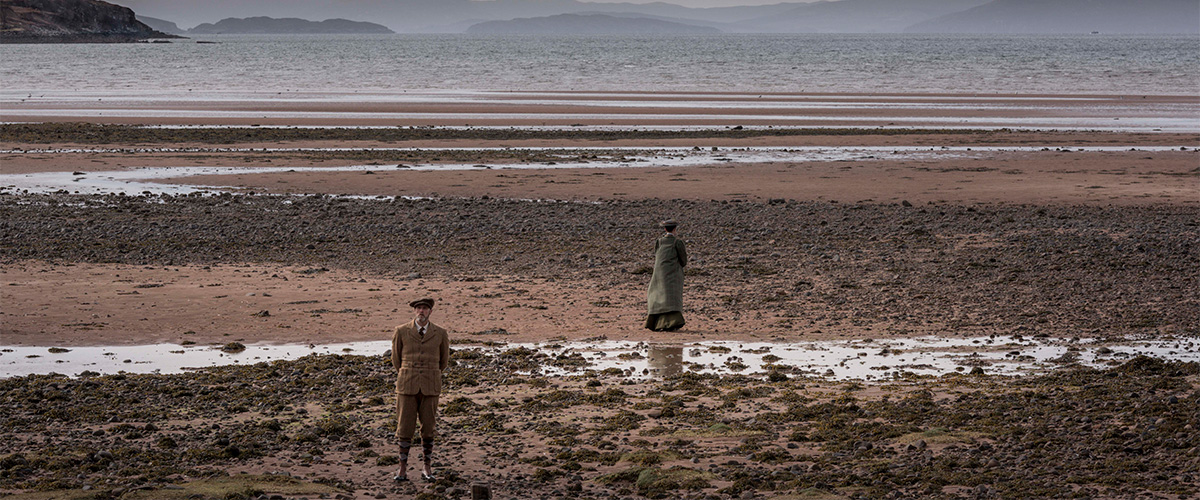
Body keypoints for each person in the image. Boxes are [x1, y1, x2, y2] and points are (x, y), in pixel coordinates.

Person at [391, 297, 450, 482]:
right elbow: (396, 359)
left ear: (430, 311)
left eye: (425, 308)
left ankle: (427, 467)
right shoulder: (401, 331)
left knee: (429, 428)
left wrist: (429, 374)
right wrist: (409, 373)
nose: (421, 311)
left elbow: (444, 361)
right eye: (418, 308)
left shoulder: (440, 333)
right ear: (414, 311)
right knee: (404, 427)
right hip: (407, 385)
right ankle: (402, 469)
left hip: (431, 386)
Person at [645, 219, 688, 331]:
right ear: (675, 229)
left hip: (658, 273)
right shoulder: (677, 242)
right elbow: (683, 261)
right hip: (672, 273)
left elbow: (657, 255)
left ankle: (656, 323)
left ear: (665, 229)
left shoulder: (659, 242)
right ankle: (672, 323)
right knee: (671, 297)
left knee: (659, 295)